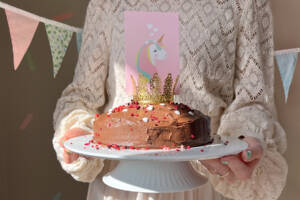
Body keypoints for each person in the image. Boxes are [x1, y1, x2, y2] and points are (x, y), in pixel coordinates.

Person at [52, 0, 288, 199]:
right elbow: (82, 95)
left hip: (202, 183)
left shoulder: (244, 3)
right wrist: (77, 130)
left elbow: (253, 101)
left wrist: (241, 141)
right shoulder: (108, 3)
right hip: (123, 187)